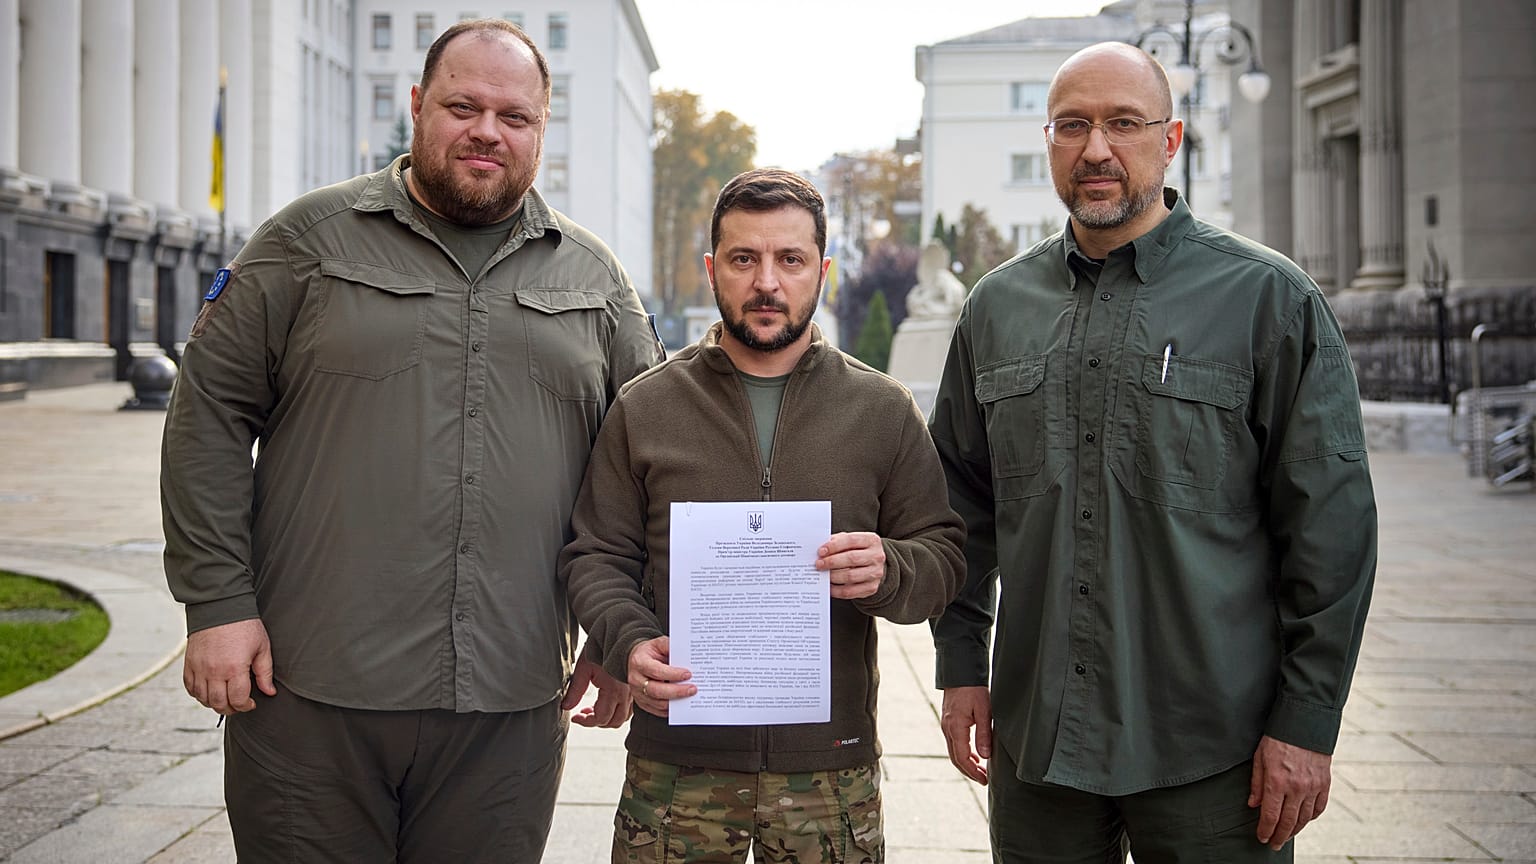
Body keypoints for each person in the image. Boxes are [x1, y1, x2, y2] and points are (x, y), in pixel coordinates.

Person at [160, 19, 663, 862]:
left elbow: (644, 471)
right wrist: (217, 605)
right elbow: (208, 414)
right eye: (463, 106)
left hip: (507, 705)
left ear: (542, 129)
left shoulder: (594, 279)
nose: (487, 132)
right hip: (309, 692)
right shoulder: (304, 245)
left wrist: (624, 628)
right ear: (418, 106)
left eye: (515, 116)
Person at [926, 42, 1378, 863]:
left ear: (1169, 143)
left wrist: (1307, 724)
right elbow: (959, 508)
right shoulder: (994, 309)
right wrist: (962, 663)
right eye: (1074, 126)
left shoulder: (1267, 301)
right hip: (1040, 747)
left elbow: (1331, 529)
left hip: (1214, 752)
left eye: (1124, 124)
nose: (1097, 149)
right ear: (1050, 142)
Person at [560, 168, 966, 864]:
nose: (767, 283)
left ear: (823, 272)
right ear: (713, 268)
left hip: (829, 772)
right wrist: (627, 640)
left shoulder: (882, 410)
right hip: (677, 769)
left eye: (791, 260)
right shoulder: (646, 407)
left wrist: (889, 567)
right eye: (745, 259)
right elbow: (595, 554)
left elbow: (944, 555)